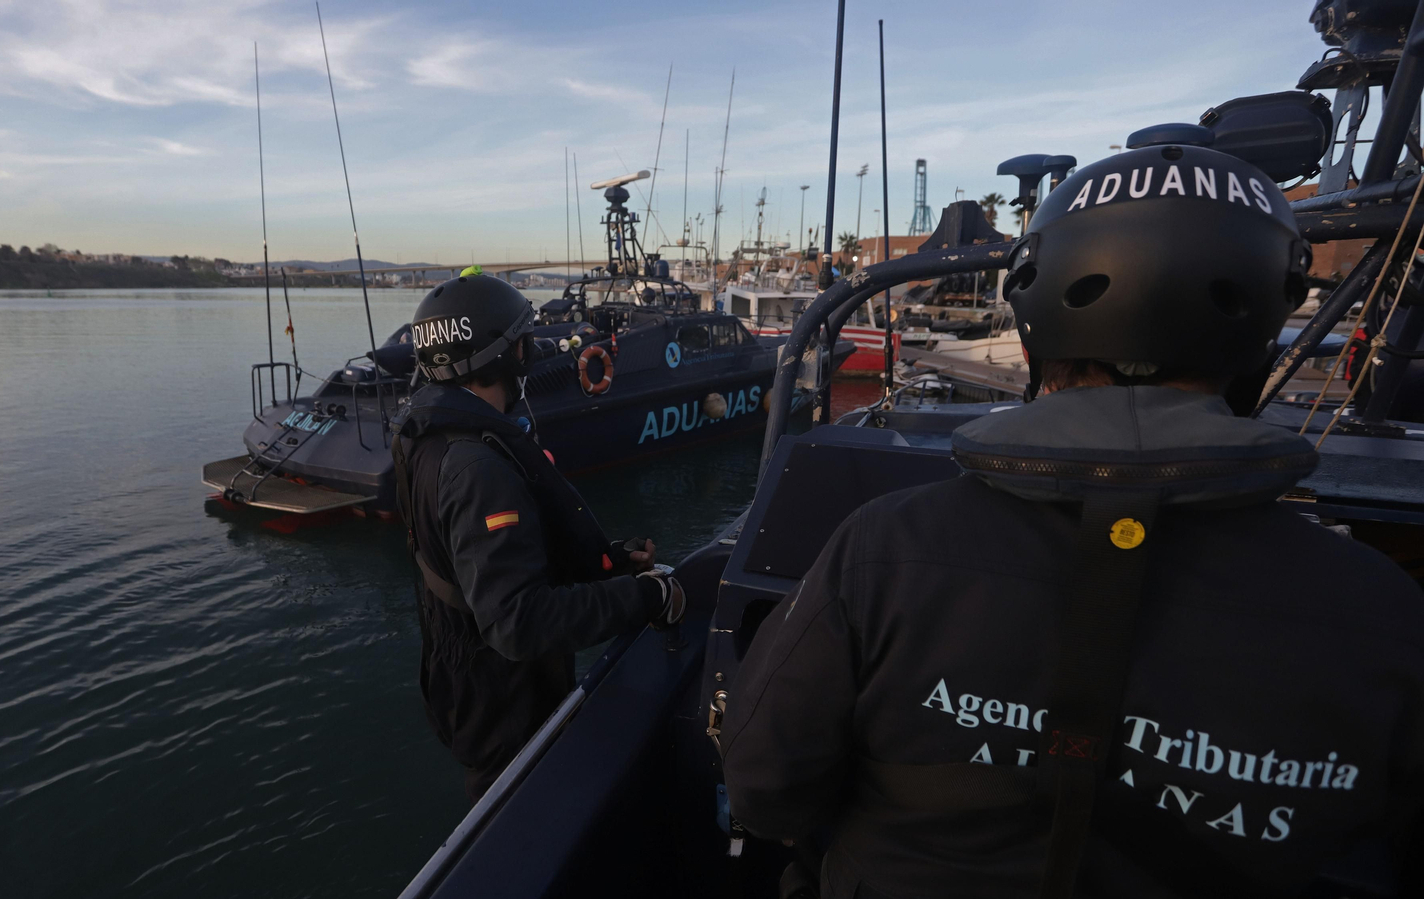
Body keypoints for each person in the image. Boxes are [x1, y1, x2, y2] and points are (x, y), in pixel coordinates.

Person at [720, 145, 1424, 897]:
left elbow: (764, 791)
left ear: (1034, 325)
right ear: (1260, 328)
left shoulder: (883, 549)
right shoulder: (1386, 614)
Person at [392, 271, 684, 800]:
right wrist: (646, 596)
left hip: (465, 685)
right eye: (521, 341)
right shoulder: (478, 467)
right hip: (505, 710)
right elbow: (517, 623)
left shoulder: (427, 439)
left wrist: (609, 564)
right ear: (506, 356)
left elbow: (478, 561)